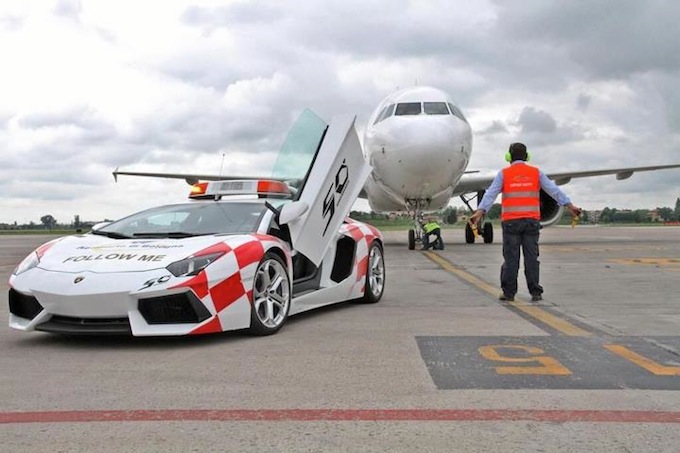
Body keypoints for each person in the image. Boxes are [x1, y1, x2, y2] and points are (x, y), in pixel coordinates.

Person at [468, 143, 581, 302]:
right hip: (531, 222)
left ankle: (509, 293)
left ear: (509, 157)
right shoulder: (536, 173)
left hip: (511, 223)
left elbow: (490, 194)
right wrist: (570, 205)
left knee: (511, 259)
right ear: (527, 156)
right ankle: (535, 292)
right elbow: (554, 191)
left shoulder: (504, 174)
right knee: (531, 258)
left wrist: (480, 212)